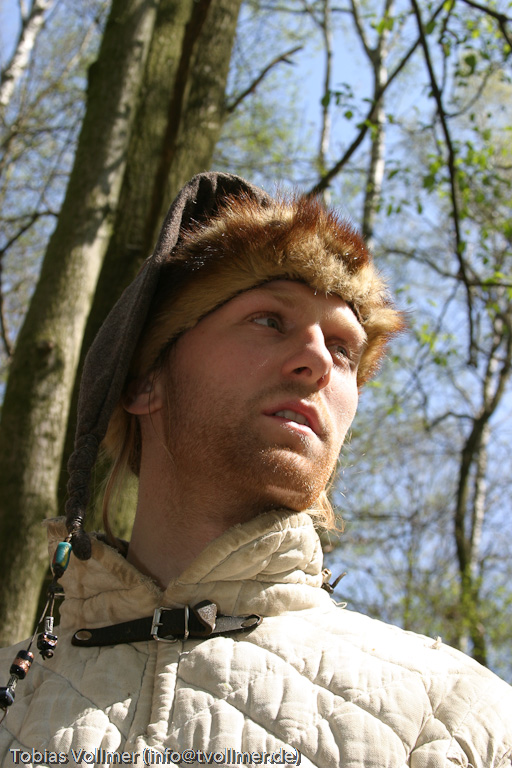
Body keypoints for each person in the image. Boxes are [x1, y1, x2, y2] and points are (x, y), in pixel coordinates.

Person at [0, 172, 511, 767]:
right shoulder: (12, 702)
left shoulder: (457, 719)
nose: (318, 360)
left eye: (344, 349)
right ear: (144, 382)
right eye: (269, 320)